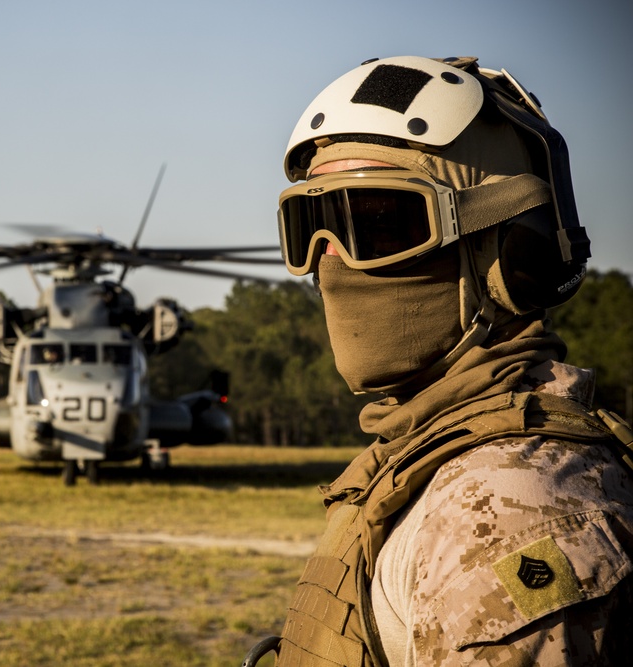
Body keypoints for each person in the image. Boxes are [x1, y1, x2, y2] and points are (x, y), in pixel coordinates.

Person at [245, 56, 633, 666]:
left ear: (505, 250)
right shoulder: (425, 461)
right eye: (311, 226)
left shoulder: (512, 513)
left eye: (377, 224)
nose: (334, 261)